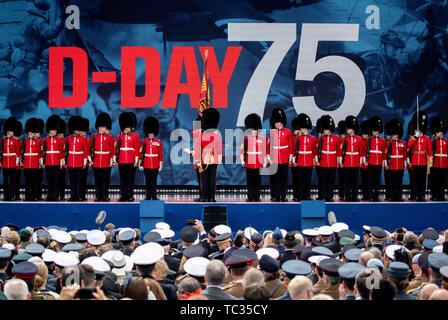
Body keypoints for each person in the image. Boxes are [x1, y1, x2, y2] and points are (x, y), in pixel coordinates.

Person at [195, 108, 222, 202]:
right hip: (207, 160)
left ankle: (210, 197)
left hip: (209, 160)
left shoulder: (204, 136)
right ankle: (207, 197)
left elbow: (219, 150)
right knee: (207, 180)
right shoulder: (214, 135)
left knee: (209, 180)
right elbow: (198, 149)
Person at [240, 113, 267, 202]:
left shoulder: (262, 139)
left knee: (257, 181)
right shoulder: (246, 138)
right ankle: (250, 196)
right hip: (249, 161)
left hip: (258, 162)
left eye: (255, 130)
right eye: (252, 130)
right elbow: (242, 150)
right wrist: (242, 160)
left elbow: (264, 151)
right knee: (250, 181)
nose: (254, 132)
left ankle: (257, 196)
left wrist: (265, 161)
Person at [268, 108, 293, 202]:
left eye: (279, 122)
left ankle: (283, 195)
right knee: (274, 179)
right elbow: (269, 146)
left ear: (283, 122)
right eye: (276, 122)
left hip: (284, 159)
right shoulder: (272, 132)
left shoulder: (288, 132)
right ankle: (274, 195)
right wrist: (269, 158)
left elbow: (290, 146)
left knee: (283, 179)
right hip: (274, 159)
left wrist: (290, 159)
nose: (278, 124)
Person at [407, 111, 433, 201]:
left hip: (423, 162)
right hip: (415, 161)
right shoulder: (413, 138)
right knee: (415, 180)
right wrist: (415, 137)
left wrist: (430, 163)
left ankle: (422, 195)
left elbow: (429, 152)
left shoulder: (426, 138)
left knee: (422, 180)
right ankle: (416, 195)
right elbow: (409, 146)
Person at [116, 112, 140, 202]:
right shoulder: (119, 136)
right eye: (125, 127)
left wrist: (136, 161)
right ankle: (123, 195)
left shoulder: (135, 136)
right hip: (122, 160)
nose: (127, 129)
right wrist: (116, 159)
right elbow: (117, 149)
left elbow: (137, 149)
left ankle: (130, 195)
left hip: (131, 160)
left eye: (128, 127)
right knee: (122, 179)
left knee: (130, 179)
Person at [291, 113, 316, 201]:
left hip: (309, 162)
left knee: (308, 181)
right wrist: (294, 161)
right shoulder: (297, 138)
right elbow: (294, 150)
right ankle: (300, 196)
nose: (303, 129)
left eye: (304, 128)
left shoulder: (312, 138)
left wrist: (314, 161)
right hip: (300, 161)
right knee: (300, 181)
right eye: (302, 128)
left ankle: (307, 196)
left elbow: (314, 151)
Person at [91, 113, 114, 202]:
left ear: (106, 128)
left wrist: (111, 161)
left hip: (106, 161)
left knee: (105, 180)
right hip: (96, 161)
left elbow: (112, 150)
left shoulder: (109, 137)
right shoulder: (94, 137)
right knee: (97, 181)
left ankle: (105, 196)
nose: (101, 129)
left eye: (103, 127)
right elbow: (91, 149)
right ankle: (98, 196)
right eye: (100, 127)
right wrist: (91, 160)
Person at [315, 115, 339, 202]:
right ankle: (321, 195)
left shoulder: (336, 138)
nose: (326, 131)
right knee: (322, 181)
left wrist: (338, 161)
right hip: (322, 162)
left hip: (332, 163)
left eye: (328, 129)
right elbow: (316, 151)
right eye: (325, 129)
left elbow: (338, 151)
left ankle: (330, 196)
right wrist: (317, 161)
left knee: (331, 181)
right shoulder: (320, 139)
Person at [340, 116, 364, 202]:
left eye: (349, 128)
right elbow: (341, 152)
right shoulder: (344, 139)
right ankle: (347, 196)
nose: (347, 130)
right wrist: (341, 162)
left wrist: (361, 162)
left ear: (353, 129)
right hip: (346, 162)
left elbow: (361, 152)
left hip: (355, 162)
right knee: (346, 182)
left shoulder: (359, 139)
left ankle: (354, 196)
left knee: (354, 181)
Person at [65, 116, 89, 202]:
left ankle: (78, 196)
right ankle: (73, 196)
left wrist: (84, 163)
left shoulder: (83, 139)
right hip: (71, 162)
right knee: (72, 181)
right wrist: (65, 162)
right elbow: (66, 151)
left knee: (79, 181)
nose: (79, 131)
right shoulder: (68, 139)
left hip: (79, 162)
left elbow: (85, 152)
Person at [140, 117, 163, 200]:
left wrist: (160, 164)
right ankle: (148, 196)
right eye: (149, 133)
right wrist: (141, 163)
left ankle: (154, 196)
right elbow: (142, 153)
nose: (151, 134)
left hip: (155, 164)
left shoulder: (158, 142)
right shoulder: (144, 141)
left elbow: (160, 154)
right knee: (147, 181)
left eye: (152, 133)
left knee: (154, 181)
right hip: (146, 164)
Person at [43, 115, 64, 201]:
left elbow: (61, 152)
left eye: (55, 130)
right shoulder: (45, 140)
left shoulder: (59, 140)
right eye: (53, 130)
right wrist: (43, 162)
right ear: (50, 130)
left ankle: (55, 195)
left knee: (56, 180)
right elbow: (43, 152)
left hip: (56, 163)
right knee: (49, 180)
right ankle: (49, 196)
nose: (54, 131)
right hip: (48, 162)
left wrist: (61, 163)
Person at [21, 118, 43, 201]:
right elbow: (22, 153)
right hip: (27, 165)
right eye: (31, 132)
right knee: (27, 182)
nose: (32, 133)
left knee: (34, 182)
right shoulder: (25, 141)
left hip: (34, 164)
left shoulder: (38, 142)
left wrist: (40, 163)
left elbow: (40, 154)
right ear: (28, 132)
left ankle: (34, 196)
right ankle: (27, 196)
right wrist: (21, 162)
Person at [366, 117, 387, 202]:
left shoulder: (382, 141)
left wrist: (383, 162)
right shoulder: (369, 140)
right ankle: (370, 196)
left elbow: (383, 153)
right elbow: (365, 151)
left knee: (377, 181)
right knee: (370, 181)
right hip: (371, 162)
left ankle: (376, 196)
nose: (375, 132)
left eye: (377, 131)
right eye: (374, 131)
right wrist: (365, 161)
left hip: (378, 163)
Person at [386, 120, 406, 201]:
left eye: (394, 134)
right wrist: (386, 164)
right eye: (392, 134)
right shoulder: (389, 143)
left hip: (400, 165)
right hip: (392, 165)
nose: (393, 136)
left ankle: (399, 196)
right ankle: (392, 196)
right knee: (392, 183)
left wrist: (405, 164)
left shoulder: (403, 143)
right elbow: (386, 155)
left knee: (399, 183)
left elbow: (404, 155)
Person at [1, 117, 21, 201]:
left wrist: (17, 162)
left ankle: (12, 195)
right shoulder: (2, 140)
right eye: (9, 131)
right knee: (5, 181)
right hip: (5, 162)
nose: (11, 132)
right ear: (7, 131)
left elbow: (17, 153)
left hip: (12, 162)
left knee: (12, 181)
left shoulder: (15, 141)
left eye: (12, 131)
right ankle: (6, 195)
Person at [430, 117, 447, 201]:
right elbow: (431, 152)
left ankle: (441, 195)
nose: (437, 133)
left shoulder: (446, 141)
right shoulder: (433, 141)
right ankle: (435, 195)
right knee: (435, 181)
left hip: (444, 164)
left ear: (442, 132)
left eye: (439, 131)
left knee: (442, 182)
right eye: (436, 132)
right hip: (435, 163)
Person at [79, 118, 90, 201]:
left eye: (84, 132)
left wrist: (89, 162)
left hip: (85, 163)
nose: (83, 133)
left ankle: (82, 195)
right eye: (82, 131)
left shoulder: (87, 140)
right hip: (77, 162)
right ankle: (78, 195)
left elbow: (89, 152)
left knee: (83, 180)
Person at [56, 119, 67, 201]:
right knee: (56, 180)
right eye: (59, 134)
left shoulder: (66, 141)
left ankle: (62, 195)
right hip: (56, 163)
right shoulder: (56, 141)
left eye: (62, 134)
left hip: (63, 164)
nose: (61, 135)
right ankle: (56, 195)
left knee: (62, 181)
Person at [360, 120, 370, 201]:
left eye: (366, 134)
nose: (365, 135)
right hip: (363, 165)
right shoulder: (360, 141)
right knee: (364, 182)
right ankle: (365, 195)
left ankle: (369, 195)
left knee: (369, 182)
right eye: (363, 134)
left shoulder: (370, 141)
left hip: (370, 164)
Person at [337, 120, 346, 201]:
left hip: (346, 162)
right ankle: (341, 194)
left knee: (345, 179)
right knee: (341, 179)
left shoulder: (346, 140)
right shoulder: (338, 139)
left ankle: (344, 194)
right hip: (340, 162)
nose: (343, 135)